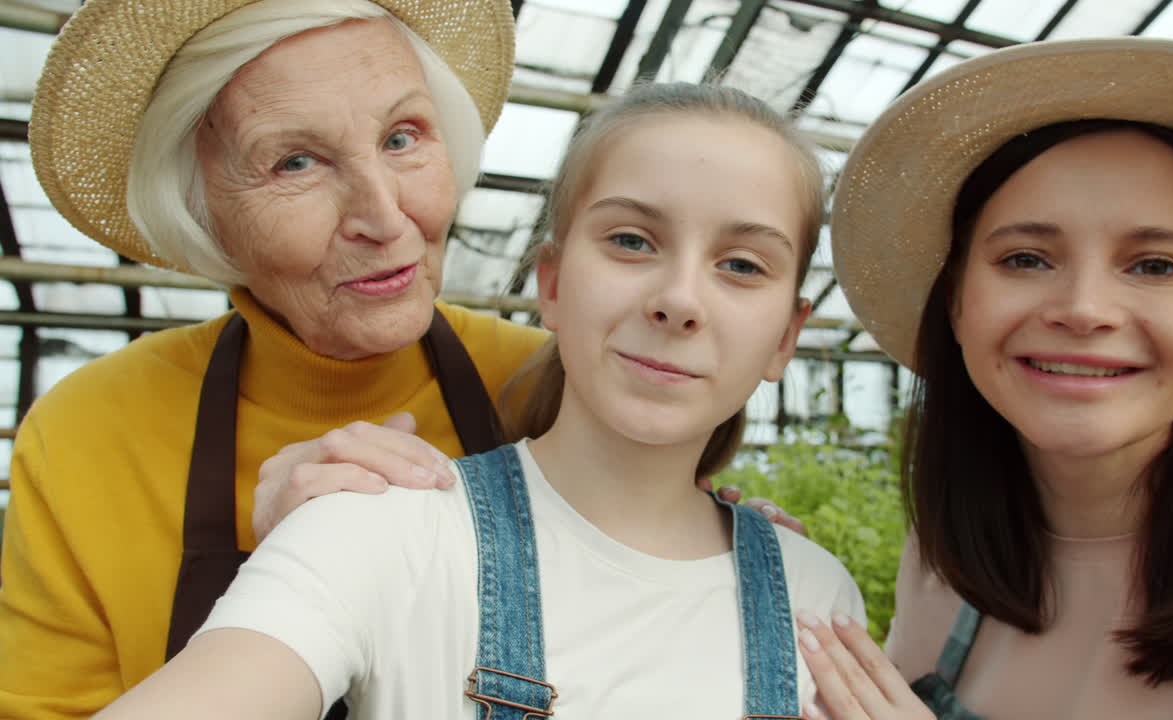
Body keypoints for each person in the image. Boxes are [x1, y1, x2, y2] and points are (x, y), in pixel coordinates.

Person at [91, 81, 867, 719]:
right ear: (553, 285)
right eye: (632, 241)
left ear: (784, 338)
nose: (680, 299)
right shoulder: (381, 533)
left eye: (741, 265)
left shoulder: (815, 597)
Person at [0, 2, 547, 717]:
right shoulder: (88, 432)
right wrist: (289, 583)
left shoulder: (555, 386)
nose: (384, 218)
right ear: (200, 209)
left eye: (402, 137)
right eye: (296, 161)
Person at [792, 37, 1173, 720]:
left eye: (1156, 265)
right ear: (958, 303)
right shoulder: (941, 565)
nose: (1083, 310)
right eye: (1025, 258)